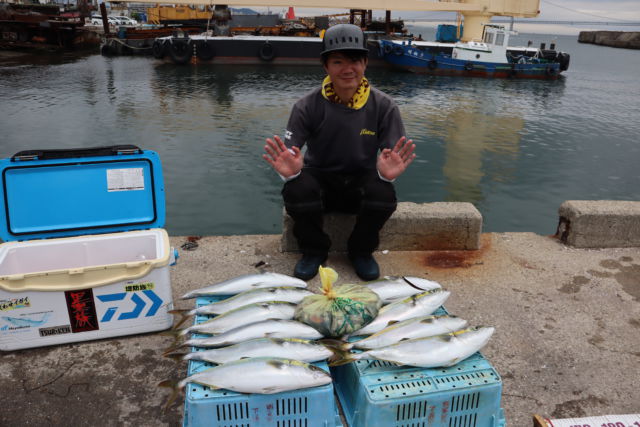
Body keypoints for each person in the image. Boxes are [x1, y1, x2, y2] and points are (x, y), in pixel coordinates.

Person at [262, 24, 415, 281]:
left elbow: (392, 157)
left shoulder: (384, 106)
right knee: (296, 189)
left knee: (384, 193)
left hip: (361, 181)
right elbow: (290, 154)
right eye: (338, 61)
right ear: (326, 66)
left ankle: (361, 251)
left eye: (355, 60)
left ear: (365, 63)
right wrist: (290, 173)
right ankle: (313, 251)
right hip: (321, 181)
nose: (347, 69)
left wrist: (387, 174)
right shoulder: (306, 106)